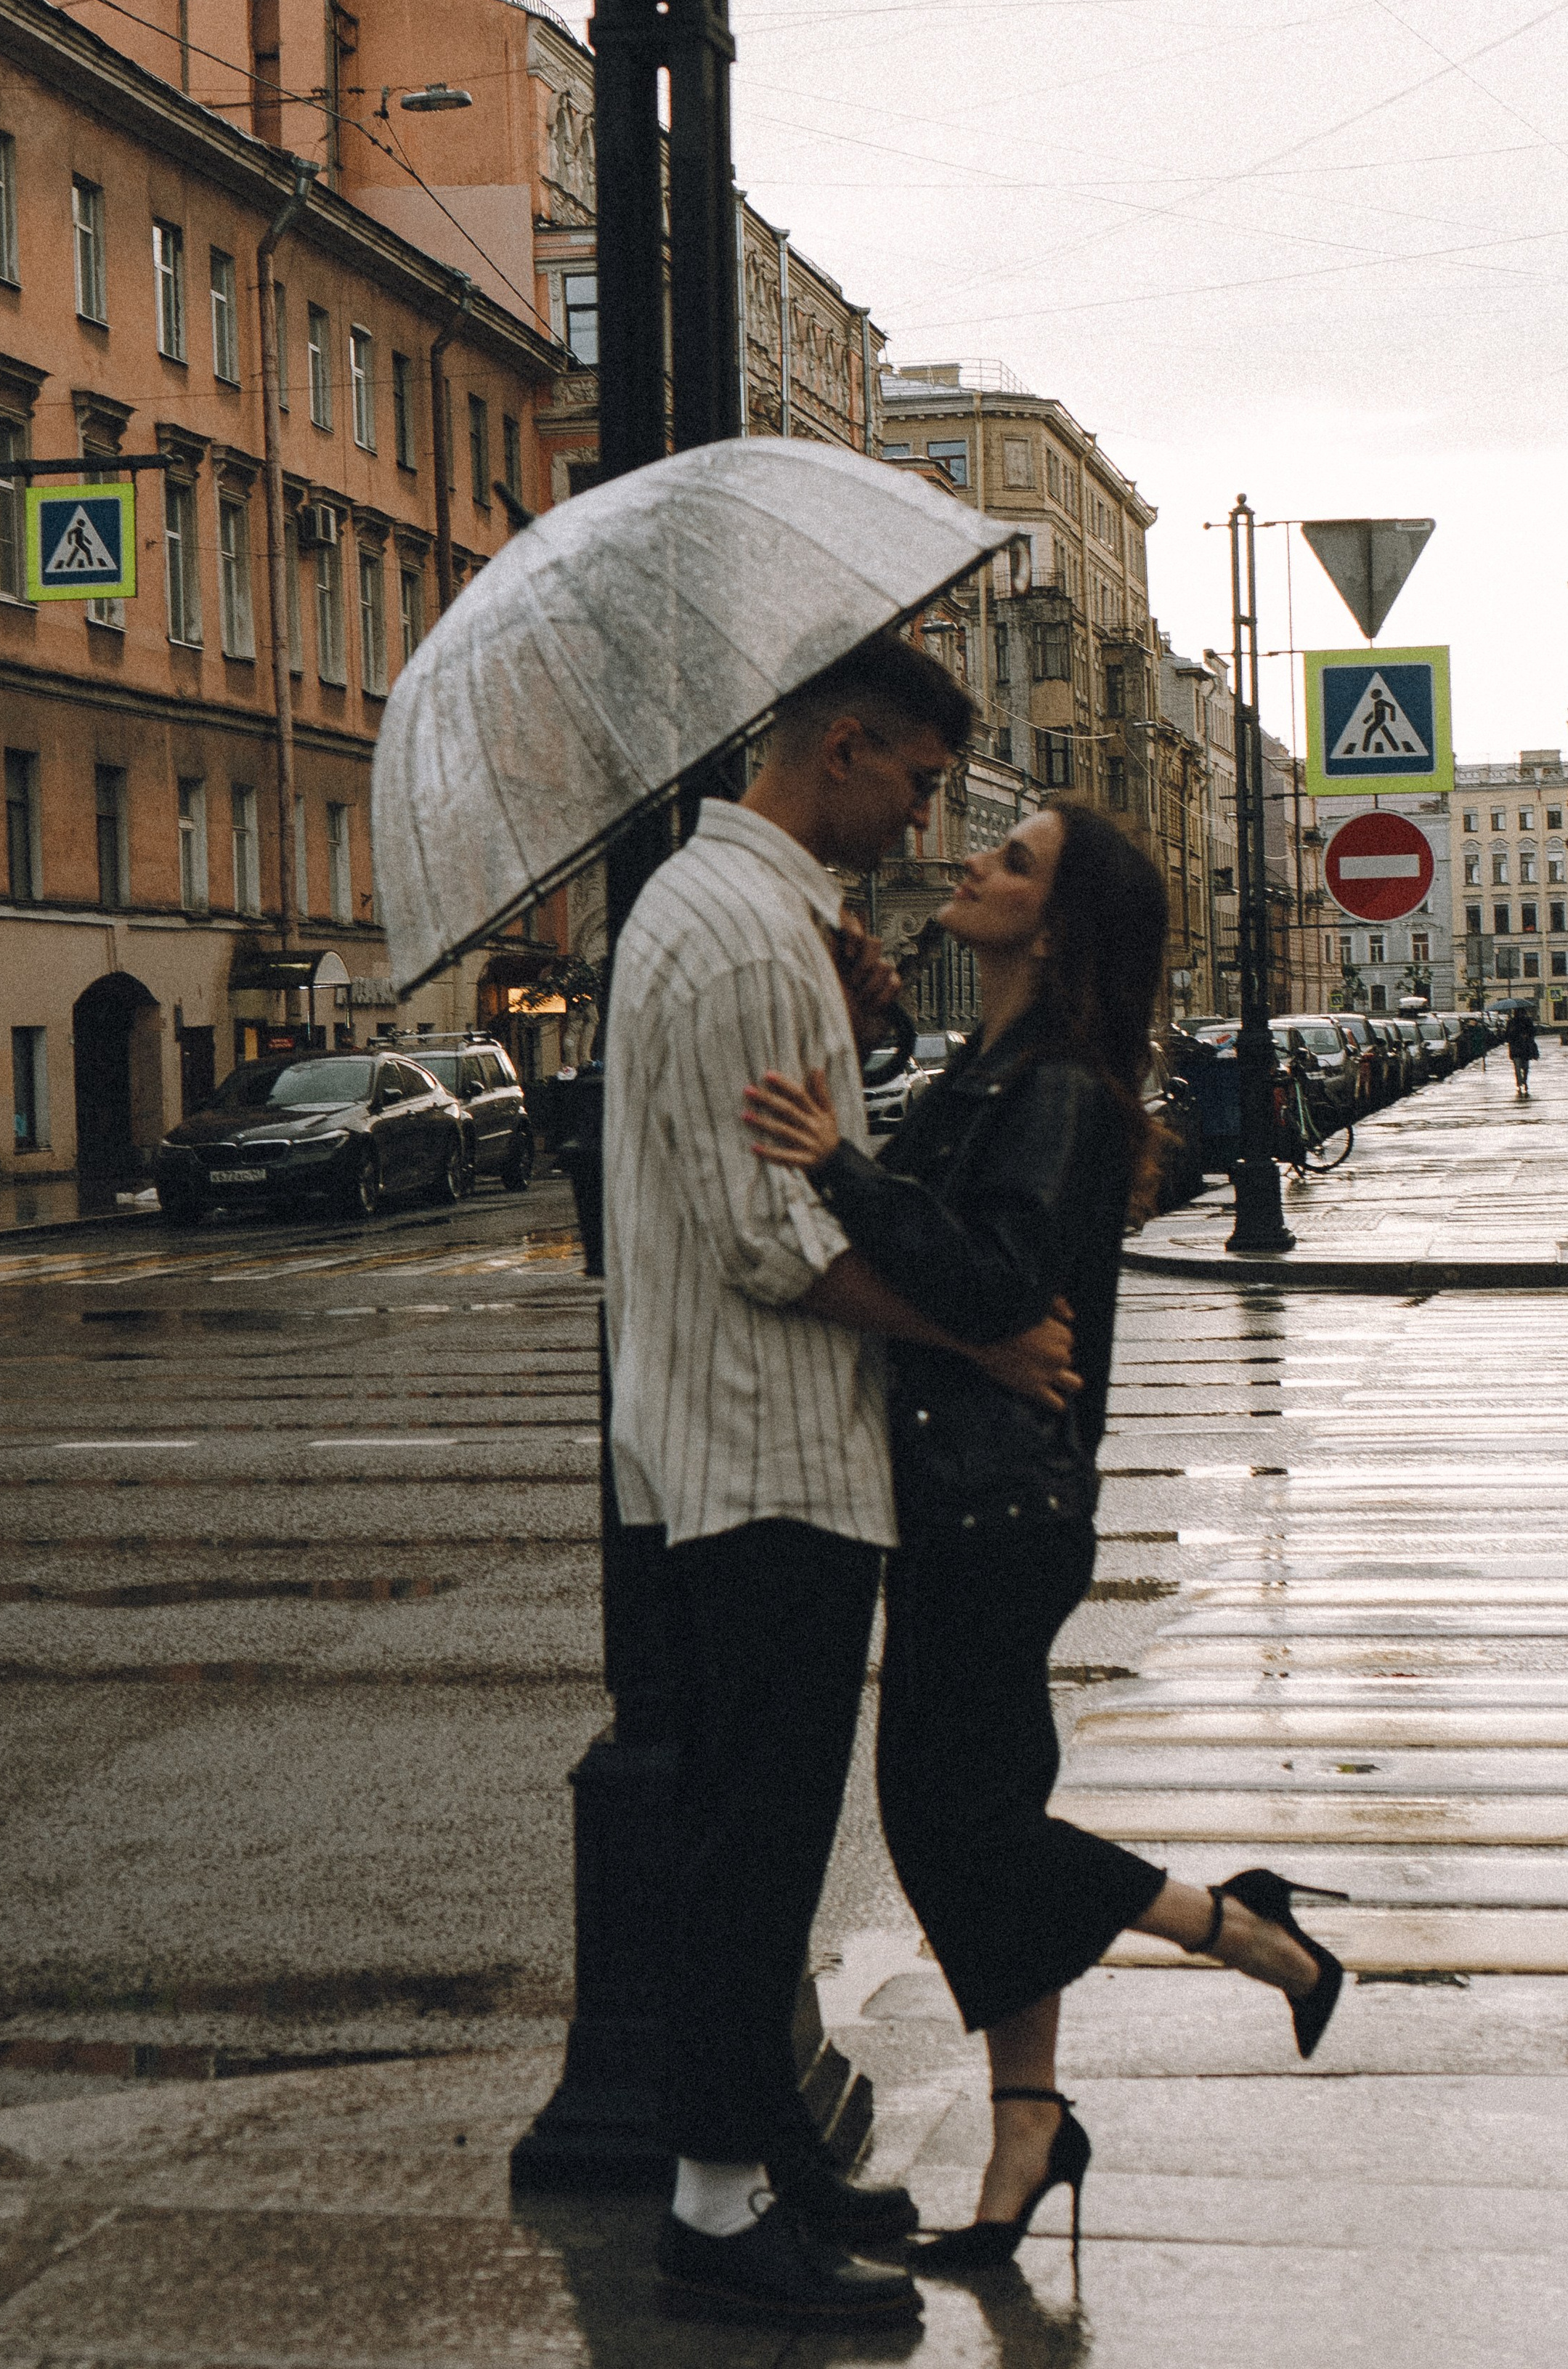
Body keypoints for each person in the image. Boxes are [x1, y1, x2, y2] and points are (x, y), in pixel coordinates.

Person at [744, 801, 1345, 2284]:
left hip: (993, 1513)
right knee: (983, 1813)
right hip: (980, 1498)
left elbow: (995, 1272)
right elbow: (958, 1217)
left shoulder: (1062, 1088)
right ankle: (1026, 2134)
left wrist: (835, 1164)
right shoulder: (1002, 1066)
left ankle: (1242, 1928)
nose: (972, 863)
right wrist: (865, 1046)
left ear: (1056, 926)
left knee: (955, 1828)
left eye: (1007, 860)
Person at [604, 632, 1081, 2330]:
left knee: (765, 1840)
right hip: (766, 1450)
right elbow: (766, 1240)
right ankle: (718, 2212)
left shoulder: (750, 918)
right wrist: (974, 1344)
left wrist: (860, 1037)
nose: (928, 812)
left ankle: (767, 2161)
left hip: (753, 1444)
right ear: (847, 745)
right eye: (923, 779)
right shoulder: (743, 932)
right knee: (751, 1848)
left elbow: (802, 1171)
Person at [1506, 1001, 1538, 1097]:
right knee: (1521, 1067)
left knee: (1522, 1067)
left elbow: (1532, 1033)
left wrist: (1526, 1035)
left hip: (1521, 1049)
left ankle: (1522, 1082)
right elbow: (1508, 1036)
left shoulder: (1526, 1022)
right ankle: (1521, 1083)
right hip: (1521, 1049)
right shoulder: (1512, 1022)